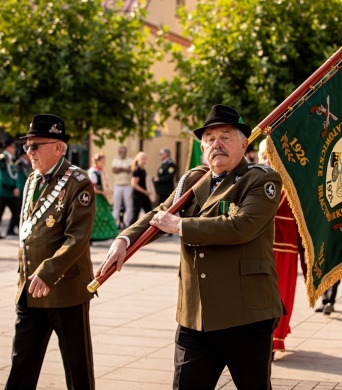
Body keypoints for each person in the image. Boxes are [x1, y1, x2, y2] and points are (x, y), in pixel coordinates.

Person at [95, 104, 284, 389]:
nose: (216, 144)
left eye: (225, 136)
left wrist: (181, 226)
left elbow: (240, 226)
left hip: (245, 314)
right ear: (202, 146)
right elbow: (161, 213)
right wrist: (125, 239)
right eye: (209, 138)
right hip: (196, 315)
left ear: (244, 143)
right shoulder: (195, 179)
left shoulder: (261, 178)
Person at [5, 114, 96, 390]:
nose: (29, 152)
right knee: (22, 362)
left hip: (64, 289)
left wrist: (47, 272)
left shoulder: (78, 182)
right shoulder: (32, 179)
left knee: (76, 365)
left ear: (57, 147)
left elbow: (77, 239)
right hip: (31, 289)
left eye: (36, 146)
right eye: (27, 146)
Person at [258, 138, 301, 355]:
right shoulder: (288, 178)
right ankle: (273, 336)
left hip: (283, 243)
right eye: (265, 157)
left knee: (278, 292)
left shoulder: (269, 178)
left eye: (268, 157)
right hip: (272, 242)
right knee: (275, 291)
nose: (266, 160)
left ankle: (273, 338)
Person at [88, 152, 118, 242]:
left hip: (102, 197)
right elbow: (93, 188)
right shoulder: (92, 172)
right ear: (97, 161)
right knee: (97, 216)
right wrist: (103, 192)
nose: (104, 163)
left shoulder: (102, 171)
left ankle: (110, 234)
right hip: (97, 197)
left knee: (106, 215)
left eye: (104, 161)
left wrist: (108, 192)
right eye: (102, 161)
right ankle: (92, 237)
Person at [7, 150, 32, 235]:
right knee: (18, 210)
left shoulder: (23, 163)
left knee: (16, 210)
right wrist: (19, 188)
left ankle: (11, 229)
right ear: (24, 155)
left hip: (22, 189)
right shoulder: (20, 163)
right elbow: (19, 178)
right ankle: (17, 229)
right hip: (21, 190)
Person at [0, 139, 20, 237]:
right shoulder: (3, 159)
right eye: (13, 147)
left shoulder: (11, 159)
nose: (15, 149)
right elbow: (3, 175)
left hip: (10, 192)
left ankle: (23, 231)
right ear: (7, 147)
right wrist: (13, 187)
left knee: (17, 212)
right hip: (3, 191)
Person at [111, 145, 133, 229]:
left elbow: (130, 169)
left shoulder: (129, 160)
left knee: (129, 205)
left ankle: (128, 223)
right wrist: (124, 169)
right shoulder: (115, 160)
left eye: (122, 151)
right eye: (120, 151)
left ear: (125, 152)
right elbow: (114, 170)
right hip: (117, 185)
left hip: (127, 185)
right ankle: (115, 223)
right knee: (116, 205)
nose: (121, 153)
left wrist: (119, 169)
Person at [129, 151, 153, 225]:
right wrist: (145, 191)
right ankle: (129, 231)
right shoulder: (137, 170)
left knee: (150, 213)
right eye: (142, 158)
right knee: (135, 214)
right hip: (137, 196)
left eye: (145, 158)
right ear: (138, 159)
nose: (144, 160)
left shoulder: (143, 170)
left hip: (144, 195)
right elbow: (134, 184)